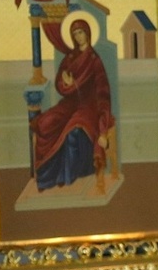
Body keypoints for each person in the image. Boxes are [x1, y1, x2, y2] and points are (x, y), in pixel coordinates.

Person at [30, 17, 114, 192]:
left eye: (81, 32)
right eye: (75, 34)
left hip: (89, 107)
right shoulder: (70, 57)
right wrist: (66, 84)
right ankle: (46, 176)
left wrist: (103, 129)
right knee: (45, 123)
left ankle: (67, 177)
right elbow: (60, 83)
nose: (78, 37)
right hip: (70, 103)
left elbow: (103, 94)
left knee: (73, 131)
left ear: (87, 33)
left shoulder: (94, 60)